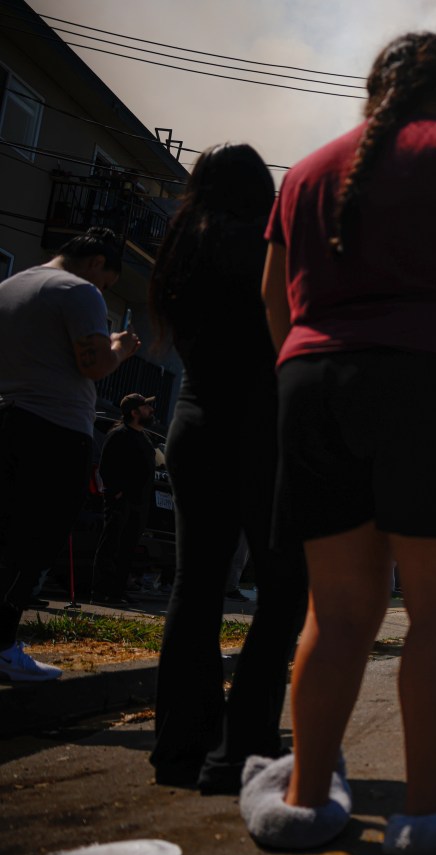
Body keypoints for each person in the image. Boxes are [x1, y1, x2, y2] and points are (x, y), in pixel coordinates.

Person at [238, 32, 436, 855]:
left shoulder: (305, 172)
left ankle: (304, 801)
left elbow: (273, 297)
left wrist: (302, 367)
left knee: (336, 611)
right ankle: (430, 807)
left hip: (312, 387)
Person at [146, 143, 309, 792]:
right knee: (282, 588)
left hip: (192, 421)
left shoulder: (180, 249)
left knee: (196, 587)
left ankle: (179, 747)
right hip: (258, 429)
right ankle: (242, 747)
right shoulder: (262, 249)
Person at [0, 228, 137, 682]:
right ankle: (2, 645)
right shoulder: (78, 291)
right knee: (32, 542)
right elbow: (94, 365)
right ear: (96, 263)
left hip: (9, 416)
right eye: (106, 283)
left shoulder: (13, 284)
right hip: (54, 431)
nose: (102, 293)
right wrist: (120, 348)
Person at [91, 393, 157, 604]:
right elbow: (106, 466)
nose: (151, 410)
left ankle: (117, 592)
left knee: (128, 549)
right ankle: (101, 592)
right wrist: (117, 491)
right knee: (111, 545)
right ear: (134, 412)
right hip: (121, 501)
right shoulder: (119, 434)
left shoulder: (145, 438)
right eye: (146, 407)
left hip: (140, 503)